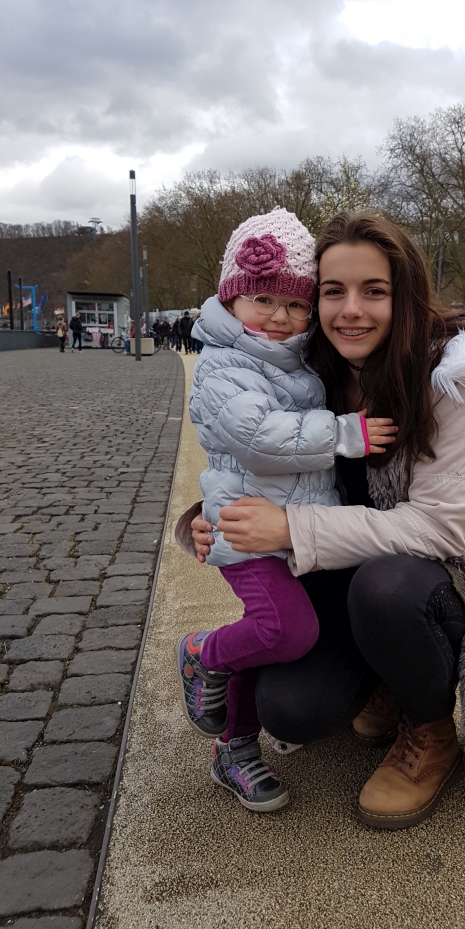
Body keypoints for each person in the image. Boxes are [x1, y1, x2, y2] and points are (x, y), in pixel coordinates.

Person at [184, 211, 465, 829]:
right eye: (332, 291)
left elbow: (442, 527)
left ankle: (428, 728)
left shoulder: (455, 377)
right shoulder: (314, 365)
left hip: (432, 575)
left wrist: (291, 530)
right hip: (338, 570)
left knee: (386, 586)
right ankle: (383, 679)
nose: (351, 310)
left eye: (374, 290)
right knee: (292, 710)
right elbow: (256, 450)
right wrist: (209, 519)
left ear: (405, 293)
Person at [175, 209, 397, 813]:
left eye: (295, 304)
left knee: (270, 640)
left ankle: (234, 745)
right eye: (263, 299)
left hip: (294, 532)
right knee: (285, 631)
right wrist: (346, 433)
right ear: (231, 298)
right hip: (251, 535)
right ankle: (203, 654)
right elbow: (256, 440)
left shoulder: (298, 360)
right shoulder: (225, 365)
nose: (279, 316)